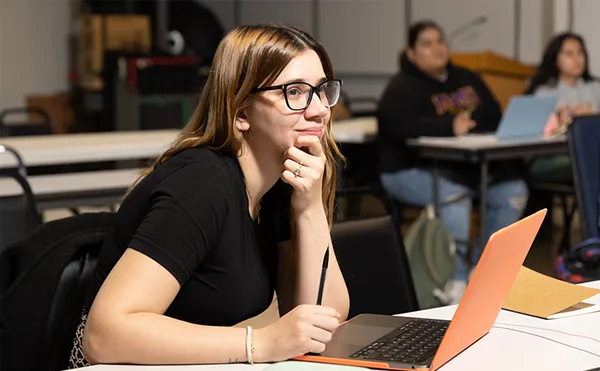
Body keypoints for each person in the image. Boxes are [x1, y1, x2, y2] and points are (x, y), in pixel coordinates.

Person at [68, 24, 349, 368]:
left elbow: (324, 321)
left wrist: (309, 208)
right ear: (242, 113)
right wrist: (258, 343)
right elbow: (104, 335)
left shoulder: (280, 187)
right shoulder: (201, 185)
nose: (320, 109)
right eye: (295, 91)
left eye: (322, 90)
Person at [377, 20, 528, 304]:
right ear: (410, 52)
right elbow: (398, 125)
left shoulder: (466, 78)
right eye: (426, 43)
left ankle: (484, 271)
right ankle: (454, 281)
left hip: (462, 168)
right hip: (407, 170)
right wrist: (448, 127)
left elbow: (493, 113)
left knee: (513, 191)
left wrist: (470, 123)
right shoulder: (401, 87)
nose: (437, 48)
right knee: (454, 196)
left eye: (440, 41)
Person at [526, 32, 600, 183]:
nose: (577, 59)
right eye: (569, 54)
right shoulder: (544, 93)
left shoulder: (595, 88)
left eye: (580, 53)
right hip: (555, 155)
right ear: (555, 60)